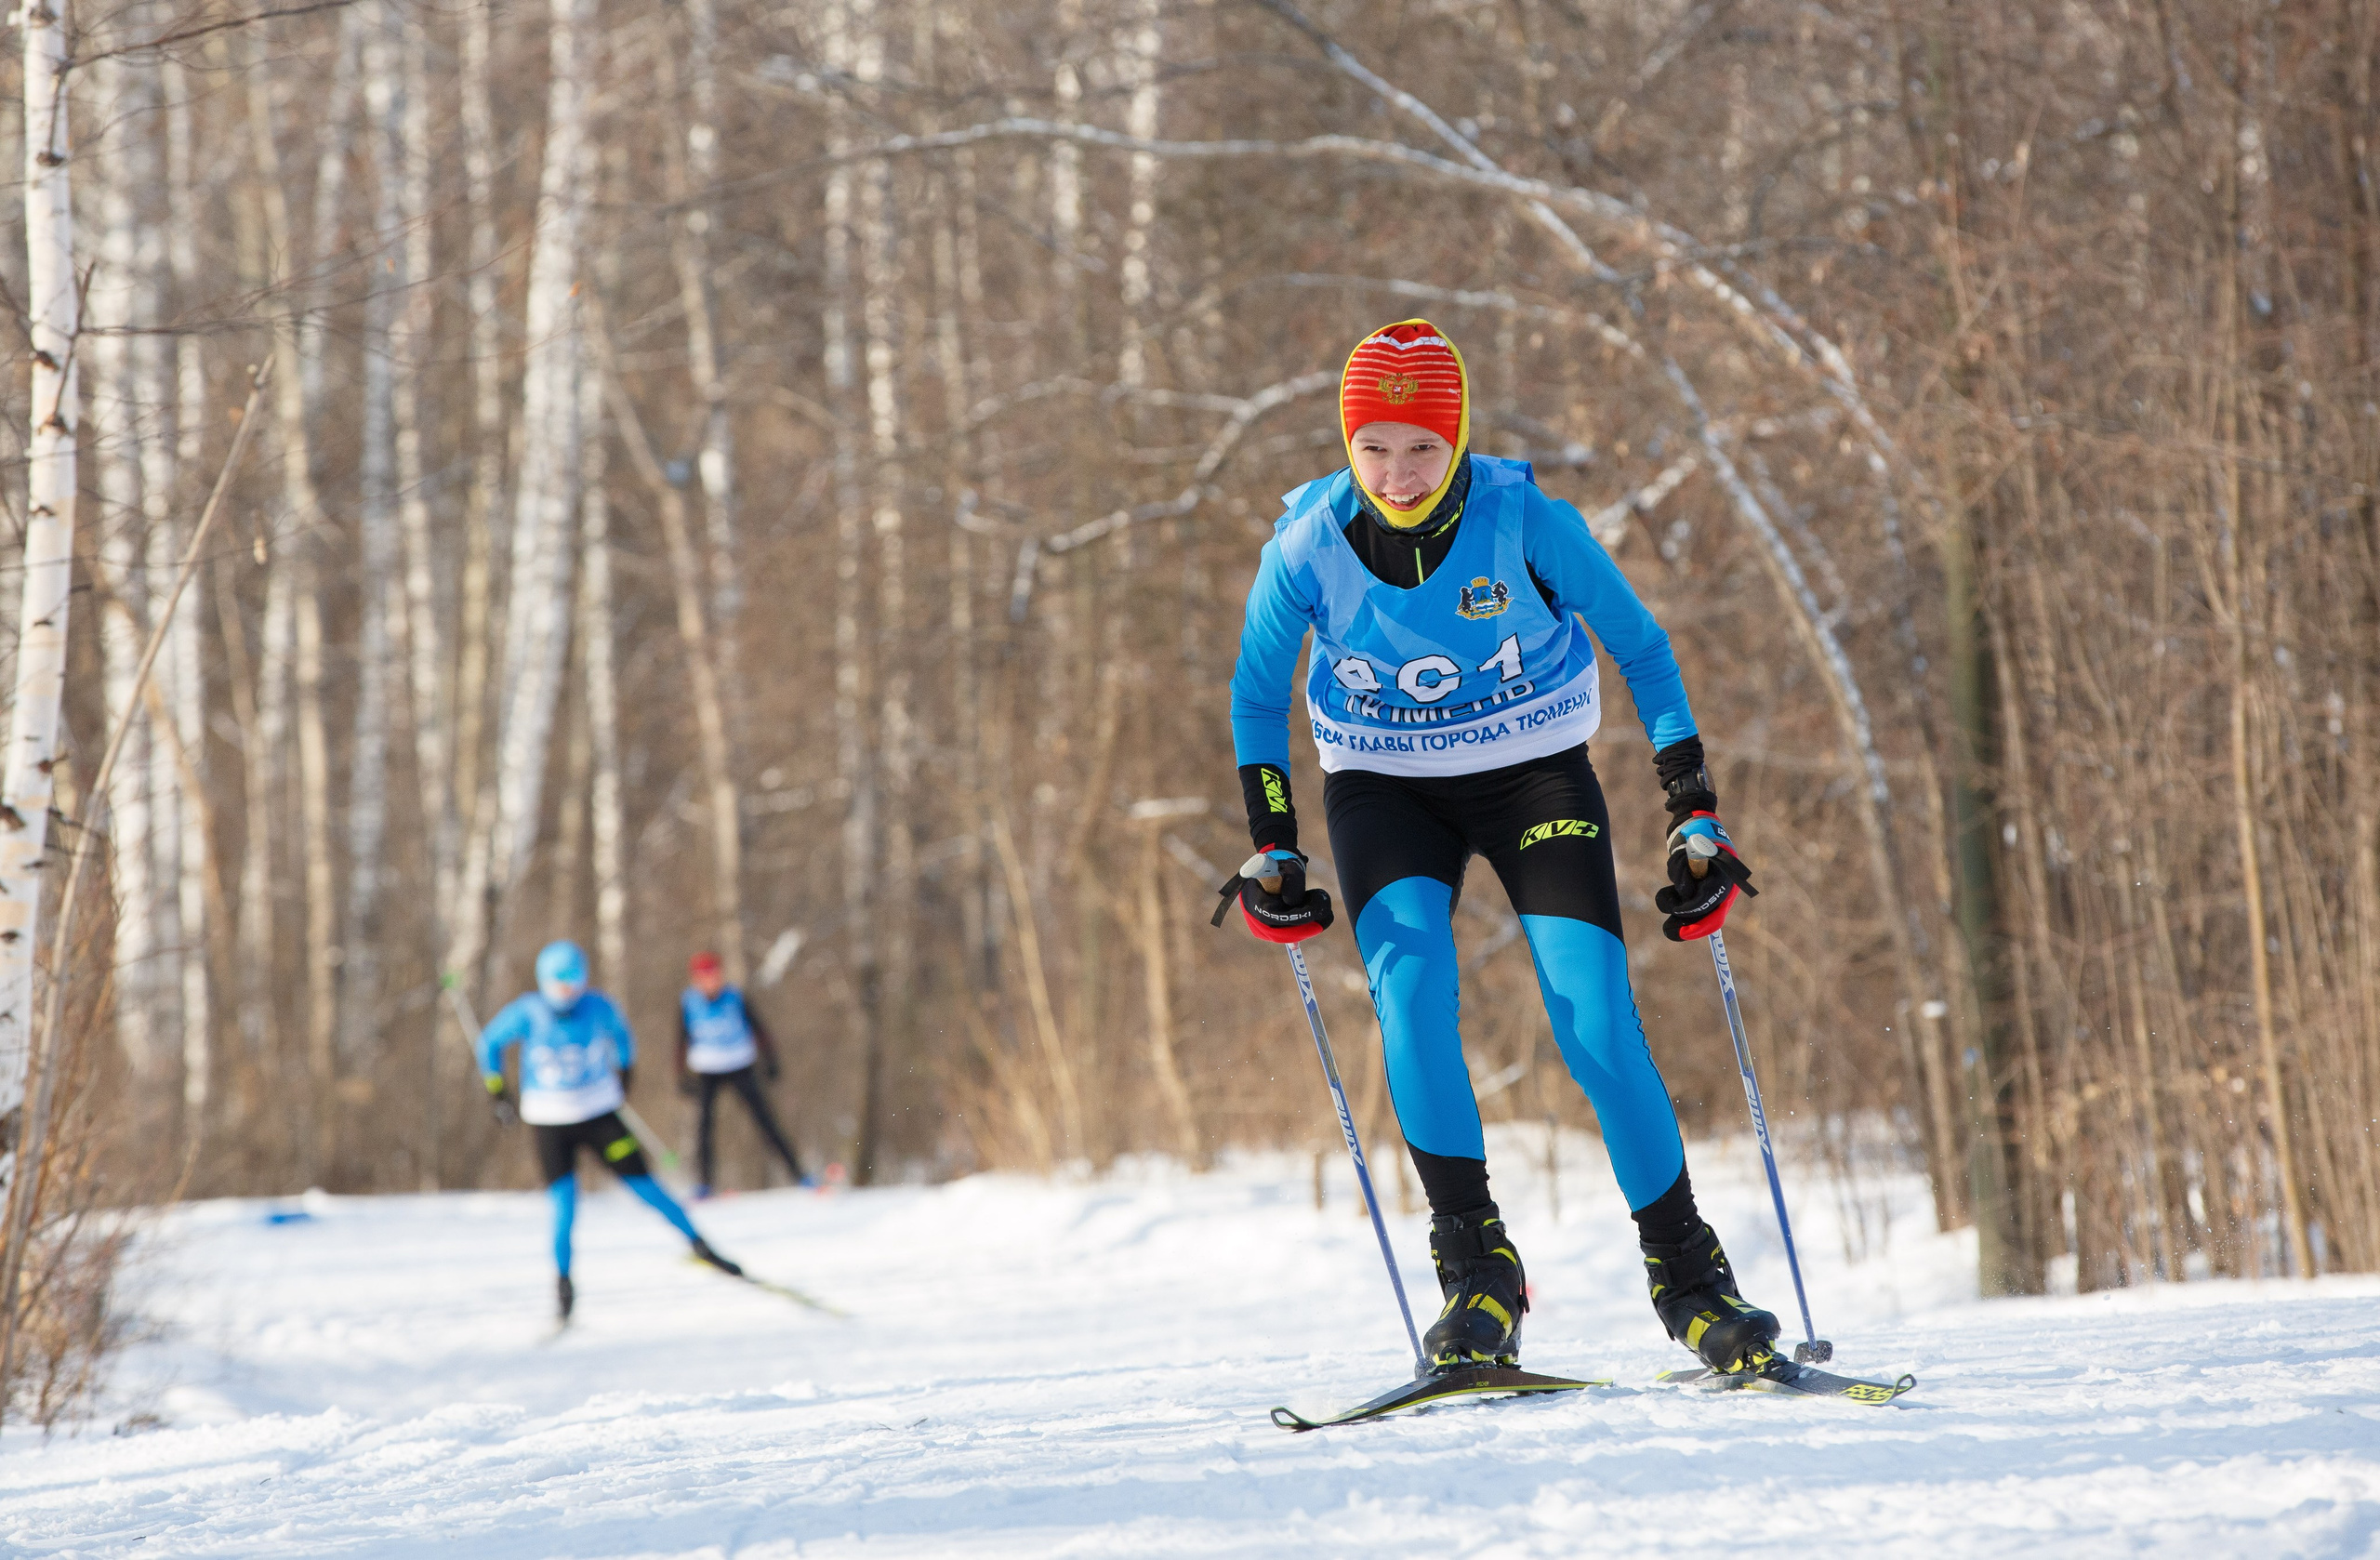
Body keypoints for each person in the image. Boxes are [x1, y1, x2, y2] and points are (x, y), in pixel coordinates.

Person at [1222, 318, 1778, 1377]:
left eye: (1423, 447)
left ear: (1461, 436)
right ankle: (1477, 1273)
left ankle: (1690, 1275)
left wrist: (1691, 813)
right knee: (1411, 992)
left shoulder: (1527, 522)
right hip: (1383, 787)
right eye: (1373, 446)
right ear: (1346, 442)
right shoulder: (1306, 543)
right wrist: (1273, 845)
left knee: (1593, 1018)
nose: (1395, 473)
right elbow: (1256, 693)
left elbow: (1644, 653)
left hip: (1532, 777)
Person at [478, 940, 743, 1323]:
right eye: (560, 980)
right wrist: (498, 1092)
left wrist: (624, 1072)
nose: (568, 988)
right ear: (544, 980)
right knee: (565, 1205)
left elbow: (622, 1037)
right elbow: (490, 1044)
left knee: (645, 1186)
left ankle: (702, 1246)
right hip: (550, 1123)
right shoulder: (529, 1012)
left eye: (574, 979)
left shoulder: (597, 1006)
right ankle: (564, 1286)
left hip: (600, 1115)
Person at [676, 951, 809, 1197]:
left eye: (713, 975)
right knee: (703, 1128)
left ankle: (799, 1174)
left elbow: (759, 1029)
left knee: (765, 1120)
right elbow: (681, 1041)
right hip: (707, 1068)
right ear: (696, 979)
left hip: (739, 1063)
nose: (710, 981)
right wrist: (681, 1075)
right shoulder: (688, 1002)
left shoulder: (735, 997)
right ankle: (704, 1184)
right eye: (704, 977)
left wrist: (770, 1060)